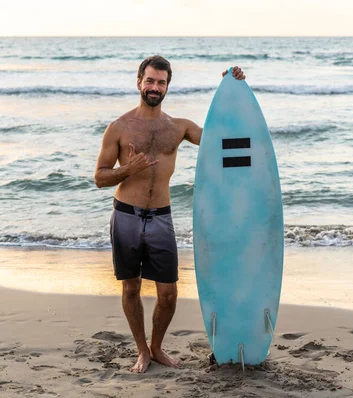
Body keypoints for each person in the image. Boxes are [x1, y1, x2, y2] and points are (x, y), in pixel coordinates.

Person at [94, 55, 245, 373]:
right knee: (131, 287)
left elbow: (220, 139)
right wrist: (126, 170)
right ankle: (142, 351)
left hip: (161, 217)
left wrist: (233, 89)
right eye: (149, 80)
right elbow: (100, 177)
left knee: (168, 293)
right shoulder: (119, 128)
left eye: (161, 82)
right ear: (139, 82)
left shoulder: (178, 128)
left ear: (167, 87)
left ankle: (157, 347)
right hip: (126, 216)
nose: (155, 87)